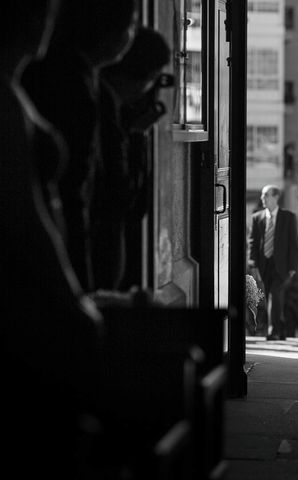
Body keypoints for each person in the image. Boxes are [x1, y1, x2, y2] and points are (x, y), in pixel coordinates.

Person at [1, 0, 104, 476]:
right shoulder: (6, 100)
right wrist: (69, 294)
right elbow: (27, 214)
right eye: (42, 11)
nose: (48, 22)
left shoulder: (15, 90)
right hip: (26, 284)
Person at [22, 0, 138, 291]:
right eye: (130, 24)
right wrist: (78, 282)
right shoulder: (75, 83)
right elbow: (76, 186)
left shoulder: (81, 77)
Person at [92, 27, 171, 290]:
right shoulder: (105, 110)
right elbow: (126, 194)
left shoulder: (97, 98)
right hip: (99, 248)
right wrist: (136, 136)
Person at [248, 185, 298, 341]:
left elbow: (293, 243)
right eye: (262, 196)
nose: (262, 198)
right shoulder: (257, 218)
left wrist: (293, 266)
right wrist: (253, 265)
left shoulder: (288, 217)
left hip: (282, 265)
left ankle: (273, 331)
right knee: (273, 296)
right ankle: (281, 330)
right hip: (264, 264)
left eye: (266, 195)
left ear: (276, 197)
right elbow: (253, 243)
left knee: (275, 294)